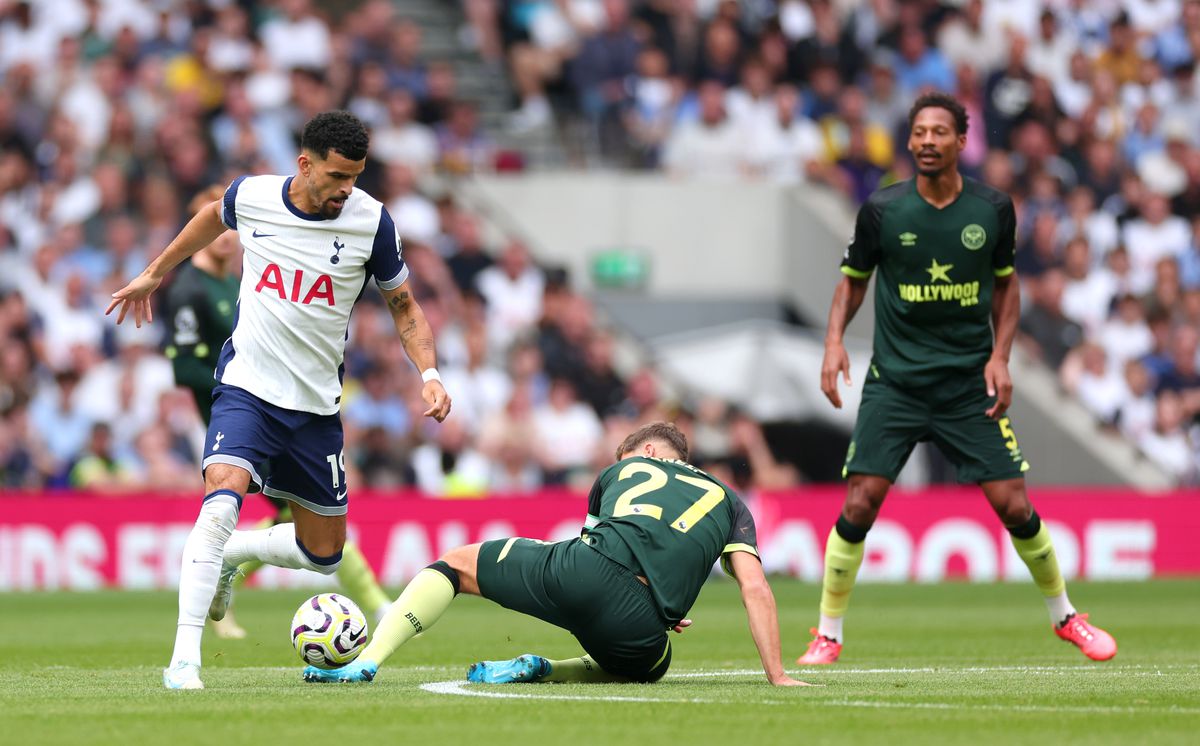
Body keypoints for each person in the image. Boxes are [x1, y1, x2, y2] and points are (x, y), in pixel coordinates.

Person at [107, 111, 452, 690]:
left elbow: (405, 307)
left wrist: (430, 373)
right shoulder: (254, 196)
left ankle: (237, 553)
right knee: (219, 502)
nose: (348, 188)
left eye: (357, 176)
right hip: (247, 386)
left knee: (325, 557)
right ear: (305, 163)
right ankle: (184, 660)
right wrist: (154, 273)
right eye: (339, 175)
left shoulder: (372, 223)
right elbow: (210, 219)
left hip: (316, 407)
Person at [799, 93, 1117, 665]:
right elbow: (853, 280)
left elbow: (1006, 285)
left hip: (967, 384)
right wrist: (832, 342)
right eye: (918, 131)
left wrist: (1001, 356)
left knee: (1014, 505)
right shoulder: (883, 210)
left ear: (960, 141)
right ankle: (828, 633)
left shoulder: (991, 209)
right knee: (862, 500)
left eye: (938, 132)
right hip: (895, 383)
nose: (926, 141)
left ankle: (1066, 617)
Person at [303, 421, 808, 687]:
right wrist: (777, 676)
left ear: (649, 454)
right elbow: (755, 587)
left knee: (455, 565)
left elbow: (598, 546)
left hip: (578, 573)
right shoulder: (730, 501)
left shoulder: (619, 473)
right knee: (652, 665)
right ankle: (546, 668)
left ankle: (365, 662)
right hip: (641, 625)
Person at [161, 187, 394, 641]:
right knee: (285, 515)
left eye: (229, 233)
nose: (226, 239)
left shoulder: (235, 279)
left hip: (280, 407)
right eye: (215, 232)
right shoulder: (188, 290)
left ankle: (225, 574)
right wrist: (242, 385)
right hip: (241, 409)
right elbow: (183, 366)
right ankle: (376, 603)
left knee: (303, 523)